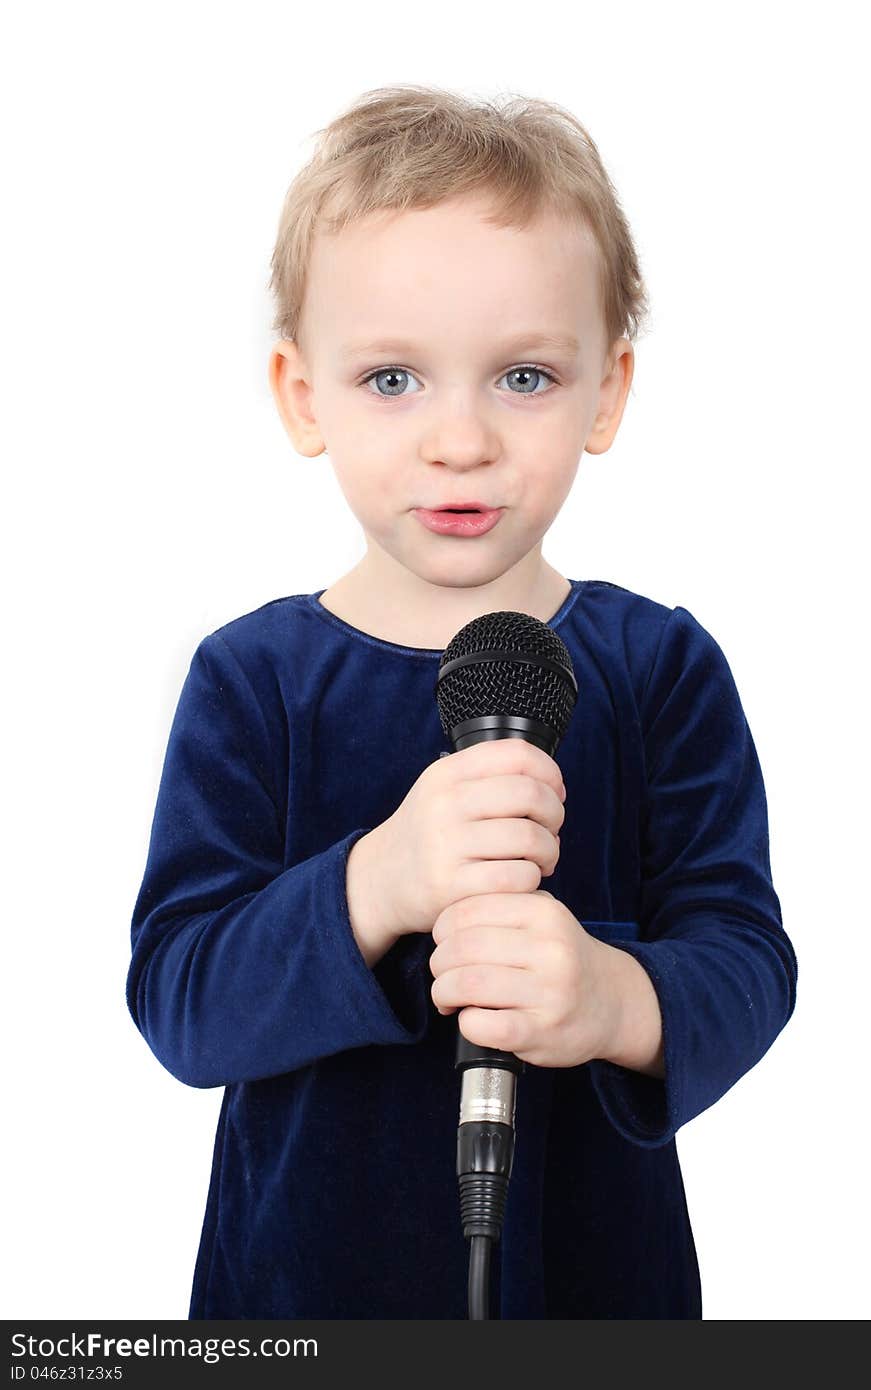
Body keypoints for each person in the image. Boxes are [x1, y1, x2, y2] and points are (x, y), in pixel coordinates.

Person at [126, 84, 797, 1320]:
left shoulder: (658, 666)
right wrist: (376, 883)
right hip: (303, 1299)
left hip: (595, 1290)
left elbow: (745, 959)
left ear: (607, 392)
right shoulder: (255, 677)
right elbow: (181, 1000)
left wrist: (613, 996)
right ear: (299, 395)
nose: (460, 438)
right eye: (391, 379)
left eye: (524, 376)